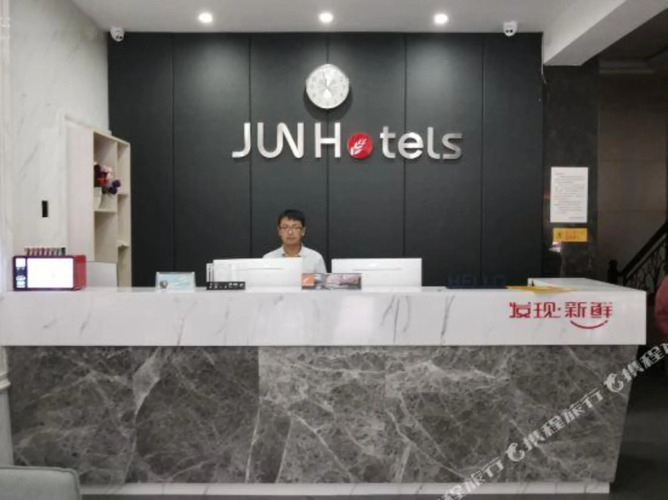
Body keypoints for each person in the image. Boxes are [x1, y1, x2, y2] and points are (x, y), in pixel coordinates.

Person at [263, 209, 327, 274]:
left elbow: (323, 280)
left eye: (295, 227)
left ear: (303, 231)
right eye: (285, 227)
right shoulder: (268, 258)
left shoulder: (315, 258)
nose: (290, 232)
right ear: (279, 231)